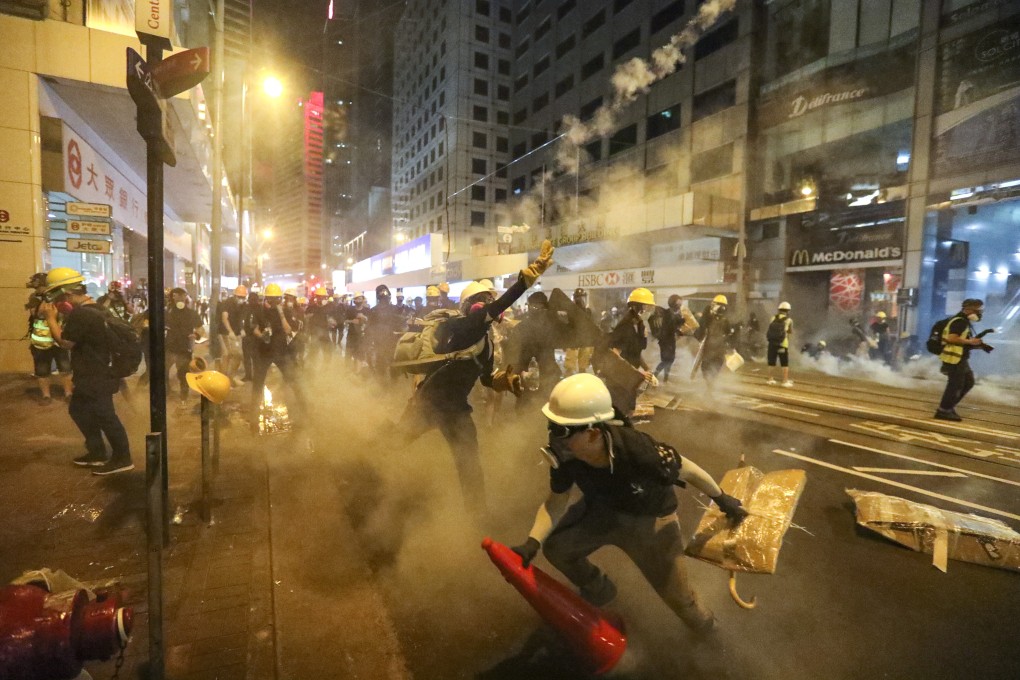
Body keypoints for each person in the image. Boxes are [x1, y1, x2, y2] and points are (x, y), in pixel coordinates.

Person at [509, 374, 747, 632]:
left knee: (681, 600)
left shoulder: (639, 451)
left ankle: (708, 632)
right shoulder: (569, 458)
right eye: (551, 426)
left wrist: (722, 500)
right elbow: (556, 501)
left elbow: (688, 470)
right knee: (556, 548)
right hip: (603, 511)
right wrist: (533, 542)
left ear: (592, 434)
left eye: (562, 431)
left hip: (650, 521)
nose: (554, 439)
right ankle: (600, 589)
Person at [394, 243, 555, 515]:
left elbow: (485, 378)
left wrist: (502, 380)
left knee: (469, 464)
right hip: (428, 405)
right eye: (483, 301)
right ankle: (360, 474)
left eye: (489, 301)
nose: (490, 306)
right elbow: (500, 305)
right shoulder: (460, 327)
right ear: (470, 306)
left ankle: (476, 517)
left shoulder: (486, 341)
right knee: (392, 444)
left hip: (456, 410)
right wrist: (528, 278)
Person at [39, 268, 133, 475]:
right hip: (94, 372)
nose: (55, 302)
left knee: (106, 415)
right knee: (78, 410)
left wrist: (50, 318)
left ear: (68, 294)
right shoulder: (97, 308)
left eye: (57, 296)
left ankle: (123, 458)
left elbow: (65, 342)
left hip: (96, 374)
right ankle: (97, 452)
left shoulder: (81, 314)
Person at [251, 283, 307, 426]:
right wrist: (261, 335)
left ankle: (304, 408)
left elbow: (289, 331)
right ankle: (254, 414)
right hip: (264, 352)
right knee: (258, 382)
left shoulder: (286, 312)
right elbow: (255, 328)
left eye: (276, 299)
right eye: (271, 299)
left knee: (293, 379)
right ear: (266, 298)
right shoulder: (259, 311)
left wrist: (281, 312)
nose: (274, 302)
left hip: (281, 351)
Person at [935, 298, 992, 422]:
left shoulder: (964, 321)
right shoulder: (960, 321)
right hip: (954, 359)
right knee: (955, 385)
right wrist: (970, 341)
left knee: (968, 382)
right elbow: (951, 338)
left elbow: (962, 341)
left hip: (960, 358)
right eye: (978, 310)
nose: (979, 313)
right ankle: (943, 410)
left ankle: (948, 407)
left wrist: (978, 345)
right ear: (968, 309)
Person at [26, 272, 73, 403]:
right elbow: (37, 313)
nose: (37, 289)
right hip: (41, 342)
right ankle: (46, 396)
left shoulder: (60, 297)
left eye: (39, 286)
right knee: (42, 371)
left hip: (60, 340)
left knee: (66, 369)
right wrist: (45, 299)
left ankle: (68, 394)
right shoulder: (35, 298)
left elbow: (67, 310)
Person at [165, 288, 204, 404]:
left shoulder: (191, 313)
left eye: (182, 296)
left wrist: (196, 335)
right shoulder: (167, 313)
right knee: (163, 371)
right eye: (176, 296)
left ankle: (183, 398)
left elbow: (200, 328)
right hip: (169, 347)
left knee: (183, 374)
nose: (179, 298)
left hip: (184, 348)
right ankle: (167, 392)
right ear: (172, 297)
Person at [653, 294, 698, 384]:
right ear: (672, 303)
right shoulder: (668, 313)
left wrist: (687, 318)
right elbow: (673, 326)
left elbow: (679, 322)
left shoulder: (674, 313)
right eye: (678, 304)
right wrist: (680, 328)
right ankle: (653, 376)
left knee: (670, 360)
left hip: (670, 340)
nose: (680, 306)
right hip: (665, 341)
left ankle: (665, 379)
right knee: (666, 360)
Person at [366, 284, 407, 380]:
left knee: (394, 367)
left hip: (393, 343)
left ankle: (393, 386)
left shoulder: (395, 309)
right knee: (381, 368)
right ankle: (383, 388)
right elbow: (369, 329)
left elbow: (402, 325)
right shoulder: (374, 311)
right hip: (380, 344)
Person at [694, 295, 733, 385]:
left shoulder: (723, 320)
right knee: (708, 368)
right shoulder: (708, 318)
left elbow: (728, 334)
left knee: (712, 368)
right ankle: (709, 384)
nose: (721, 308)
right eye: (719, 305)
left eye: (722, 306)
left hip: (715, 349)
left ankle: (710, 384)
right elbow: (700, 330)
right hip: (712, 349)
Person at [218, 285, 248, 386]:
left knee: (236, 355)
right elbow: (224, 318)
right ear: (235, 296)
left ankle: (229, 378)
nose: (241, 300)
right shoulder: (227, 303)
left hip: (236, 333)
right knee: (228, 355)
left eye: (243, 298)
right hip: (224, 332)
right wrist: (230, 331)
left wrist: (242, 329)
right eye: (240, 297)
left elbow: (241, 319)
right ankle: (224, 381)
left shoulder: (243, 305)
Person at [563, 288, 595, 376]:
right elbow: (567, 326)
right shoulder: (570, 311)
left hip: (584, 341)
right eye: (578, 298)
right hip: (573, 341)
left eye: (582, 298)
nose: (580, 300)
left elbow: (590, 325)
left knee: (583, 368)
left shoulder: (588, 311)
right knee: (570, 368)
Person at [766, 301, 794, 387]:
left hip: (772, 343)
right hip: (782, 344)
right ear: (788, 311)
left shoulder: (773, 318)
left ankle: (770, 379)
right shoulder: (789, 320)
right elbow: (790, 332)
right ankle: (784, 381)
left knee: (771, 362)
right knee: (784, 363)